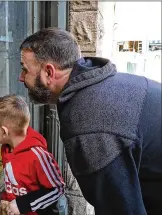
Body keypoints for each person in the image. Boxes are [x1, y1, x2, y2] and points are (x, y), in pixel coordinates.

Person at [18, 27, 162, 215]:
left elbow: (122, 210)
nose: (21, 78)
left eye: (25, 69)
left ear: (48, 72)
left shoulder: (87, 125)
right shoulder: (102, 81)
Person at [0, 95, 65, 215]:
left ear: (4, 132)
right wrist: (6, 201)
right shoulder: (7, 148)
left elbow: (57, 189)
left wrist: (21, 205)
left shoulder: (38, 156)